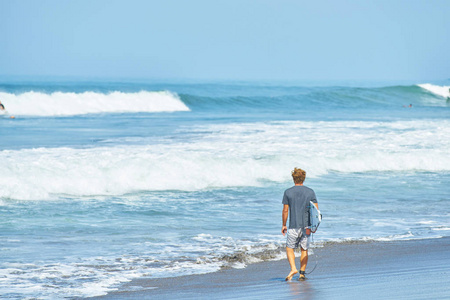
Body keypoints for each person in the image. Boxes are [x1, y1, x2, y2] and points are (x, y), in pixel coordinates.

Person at [282, 167, 318, 281]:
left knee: (289, 248)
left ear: (293, 178)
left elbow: (285, 210)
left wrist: (284, 225)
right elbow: (316, 211)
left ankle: (293, 268)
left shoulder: (288, 192)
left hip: (293, 226)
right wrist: (314, 226)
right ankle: (302, 274)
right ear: (304, 178)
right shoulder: (310, 192)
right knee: (304, 249)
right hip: (306, 226)